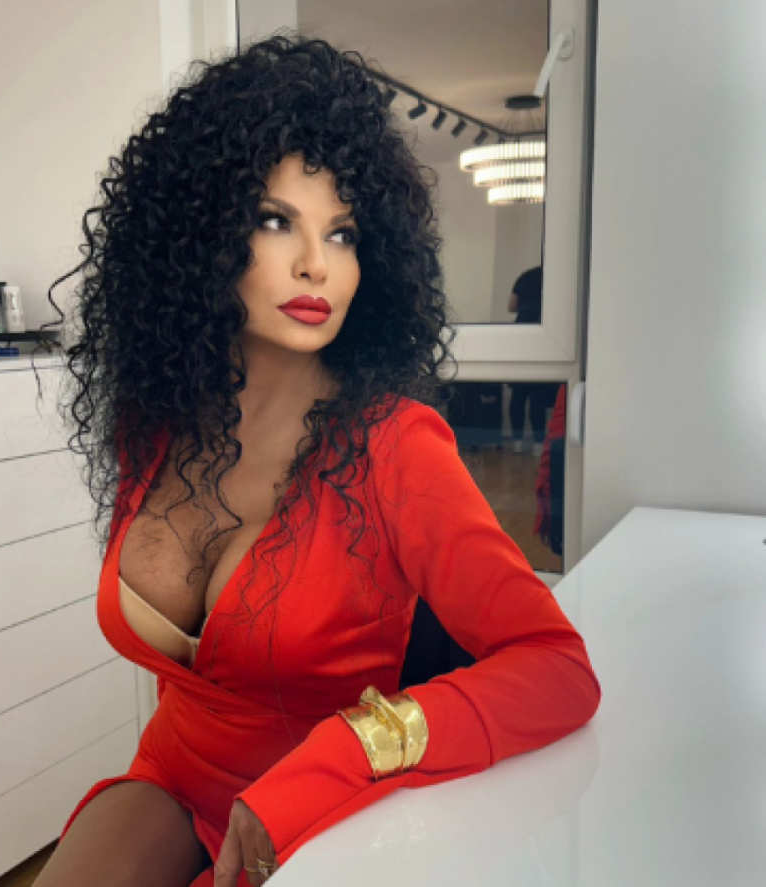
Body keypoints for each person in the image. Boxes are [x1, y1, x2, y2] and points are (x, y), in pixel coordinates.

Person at [33, 33, 601, 887]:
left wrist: (355, 743)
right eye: (276, 221)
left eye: (343, 234)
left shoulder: (394, 445)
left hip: (323, 805)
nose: (316, 266)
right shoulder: (155, 421)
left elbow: (558, 668)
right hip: (171, 775)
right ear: (197, 234)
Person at [506, 265, 559, 456]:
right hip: (541, 333)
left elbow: (511, 306)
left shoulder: (526, 276)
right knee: (538, 393)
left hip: (520, 334)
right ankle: (538, 443)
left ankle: (517, 442)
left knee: (518, 393)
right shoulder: (556, 276)